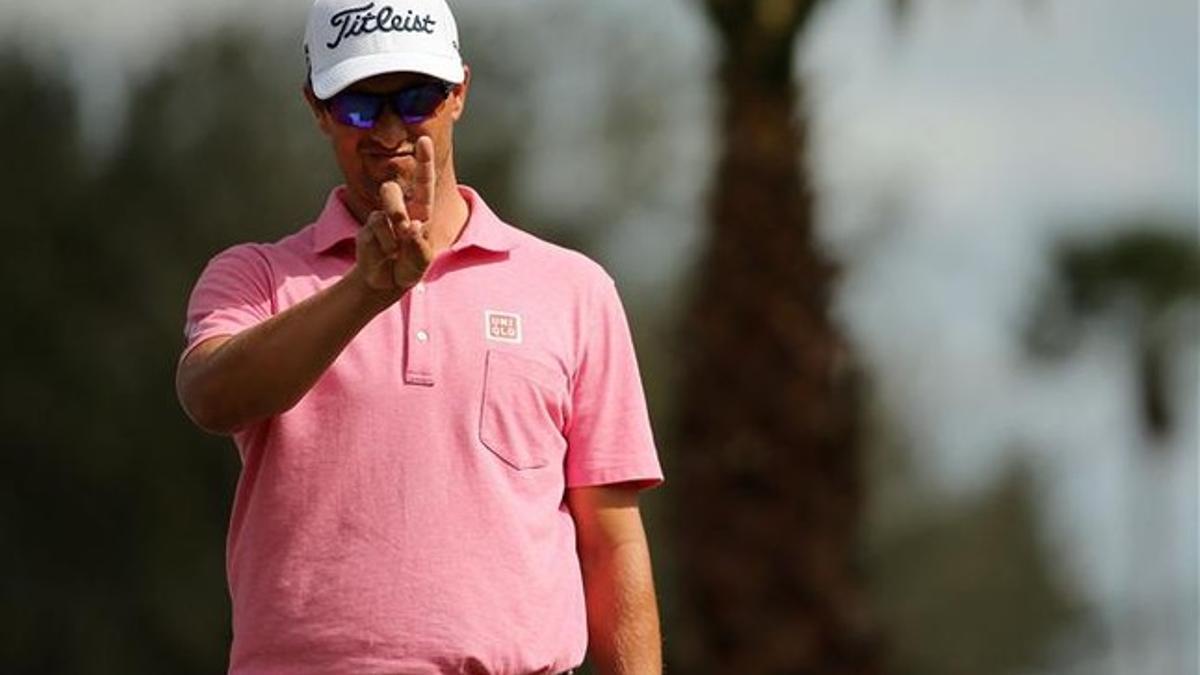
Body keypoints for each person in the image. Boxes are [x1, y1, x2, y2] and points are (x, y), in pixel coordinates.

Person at [174, 1, 664, 673]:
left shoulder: (574, 289)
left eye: (415, 98)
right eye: (356, 104)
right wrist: (364, 292)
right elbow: (209, 393)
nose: (388, 128)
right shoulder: (253, 276)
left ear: (459, 92)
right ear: (316, 106)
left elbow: (611, 544)